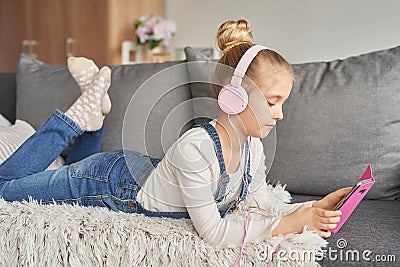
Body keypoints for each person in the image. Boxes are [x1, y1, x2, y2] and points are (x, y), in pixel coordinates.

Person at [0, 19, 351, 255]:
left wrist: (308, 210)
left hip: (133, 174)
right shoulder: (197, 148)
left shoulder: (252, 149)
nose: (280, 114)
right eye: (273, 102)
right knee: (3, 188)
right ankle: (74, 120)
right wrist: (286, 225)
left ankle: (94, 119)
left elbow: (256, 204)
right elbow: (213, 233)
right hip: (109, 183)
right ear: (234, 96)